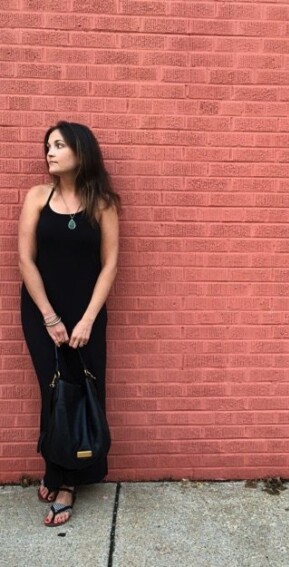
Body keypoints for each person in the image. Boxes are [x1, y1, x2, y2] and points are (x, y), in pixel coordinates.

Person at [18, 121, 120, 527]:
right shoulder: (37, 197)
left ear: (81, 151)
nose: (50, 152)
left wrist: (87, 320)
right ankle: (56, 468)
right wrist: (49, 317)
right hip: (42, 311)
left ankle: (69, 481)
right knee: (52, 391)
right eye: (48, 146)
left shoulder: (103, 204)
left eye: (59, 145)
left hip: (87, 315)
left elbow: (110, 264)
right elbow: (25, 259)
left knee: (84, 390)